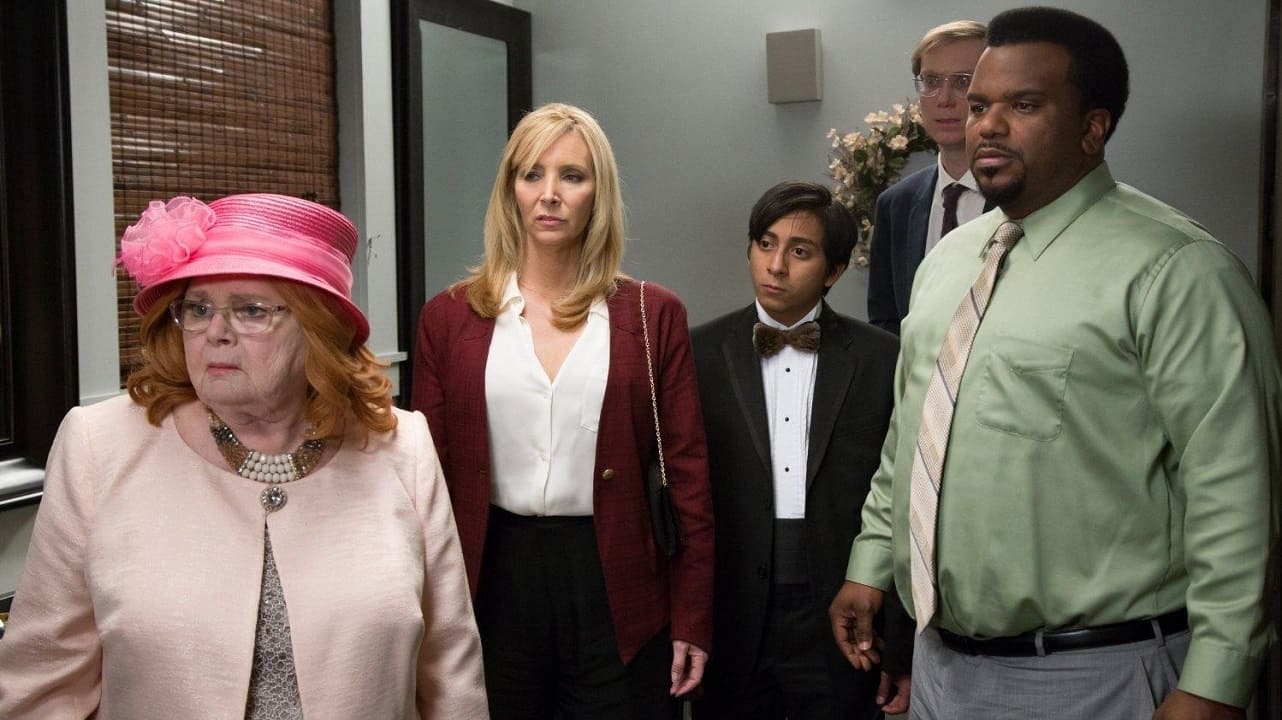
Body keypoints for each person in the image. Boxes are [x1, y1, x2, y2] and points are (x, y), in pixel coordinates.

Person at [830, 7, 1280, 720]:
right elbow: (913, 435)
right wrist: (872, 561)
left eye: (1023, 105)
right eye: (980, 105)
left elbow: (1238, 490)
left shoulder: (1177, 272)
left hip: (1097, 676)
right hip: (939, 669)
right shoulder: (947, 263)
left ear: (1093, 127)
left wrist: (1216, 683)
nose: (987, 125)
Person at [0, 194, 487, 718]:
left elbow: (450, 676)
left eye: (251, 310)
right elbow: (41, 689)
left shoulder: (403, 445)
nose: (216, 332)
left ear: (320, 330)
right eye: (198, 308)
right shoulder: (98, 444)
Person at [411, 102, 714, 719]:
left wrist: (693, 618)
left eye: (571, 176)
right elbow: (424, 480)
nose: (549, 194)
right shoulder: (448, 317)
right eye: (532, 174)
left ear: (598, 193)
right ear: (511, 191)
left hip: (619, 580)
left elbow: (688, 479)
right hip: (490, 579)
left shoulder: (654, 315)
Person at [690, 181, 911, 720]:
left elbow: (906, 496)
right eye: (765, 244)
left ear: (833, 271)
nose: (776, 265)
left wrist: (901, 646)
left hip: (845, 613)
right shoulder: (698, 352)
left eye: (800, 251)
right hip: (731, 614)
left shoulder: (882, 358)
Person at [867, 20, 987, 335]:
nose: (943, 98)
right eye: (931, 81)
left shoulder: (1025, 198)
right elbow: (886, 324)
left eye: (962, 81)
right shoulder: (896, 204)